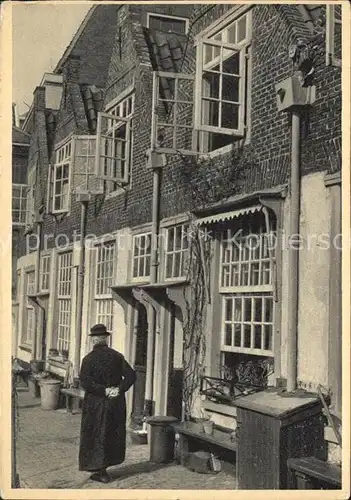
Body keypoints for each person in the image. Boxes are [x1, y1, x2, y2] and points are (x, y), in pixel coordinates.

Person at [78, 324, 136, 483]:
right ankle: (105, 468)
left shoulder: (88, 359)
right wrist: (118, 389)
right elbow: (131, 376)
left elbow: (85, 382)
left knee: (96, 433)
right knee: (111, 433)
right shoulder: (117, 356)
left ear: (94, 339)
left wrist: (103, 391)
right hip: (115, 402)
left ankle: (100, 470)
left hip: (96, 403)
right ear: (106, 339)